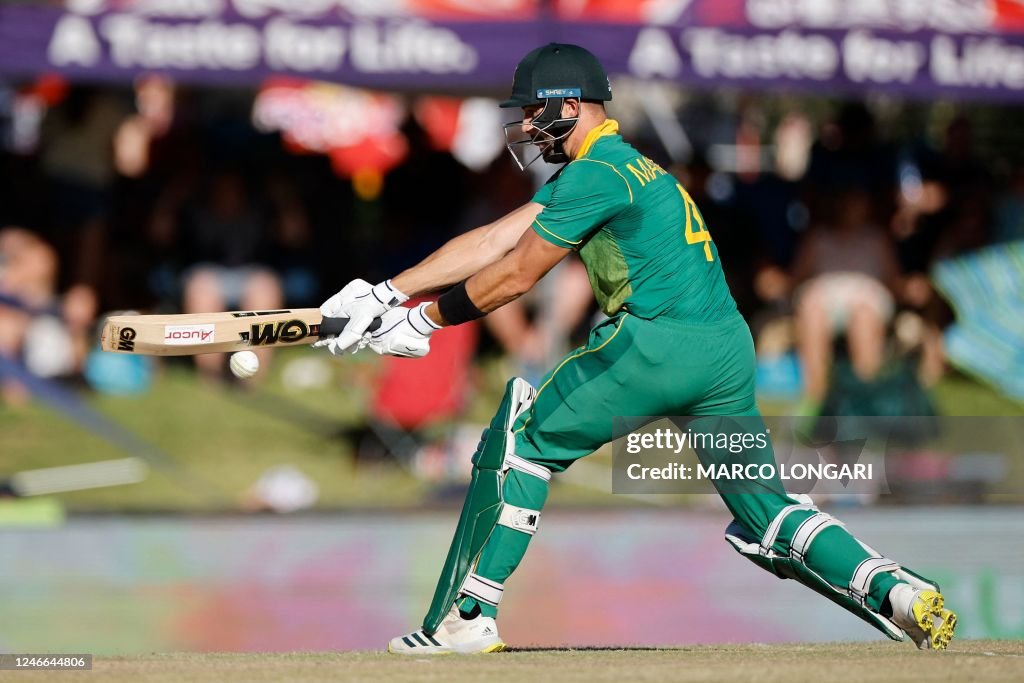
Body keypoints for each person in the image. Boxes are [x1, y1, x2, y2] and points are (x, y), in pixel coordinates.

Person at [314, 44, 957, 654]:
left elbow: (515, 274)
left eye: (534, 111)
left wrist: (425, 322)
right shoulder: (618, 165)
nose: (527, 127)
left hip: (655, 345)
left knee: (524, 443)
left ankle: (468, 620)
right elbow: (492, 240)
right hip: (724, 352)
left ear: (570, 106)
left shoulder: (596, 173)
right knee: (764, 513)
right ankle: (897, 589)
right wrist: (384, 294)